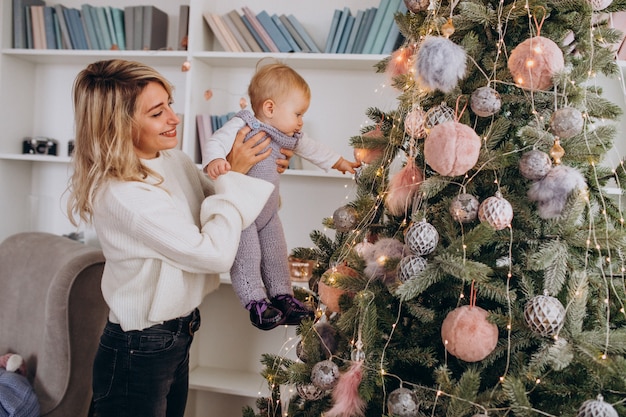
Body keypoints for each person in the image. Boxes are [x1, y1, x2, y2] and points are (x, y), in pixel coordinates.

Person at [66, 59, 292, 417]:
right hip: (140, 347)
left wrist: (257, 172)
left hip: (176, 334)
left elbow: (235, 208)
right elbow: (215, 251)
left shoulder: (172, 159)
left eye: (169, 103)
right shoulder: (124, 194)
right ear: (118, 125)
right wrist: (238, 172)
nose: (174, 118)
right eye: (157, 112)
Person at [201, 60, 360, 330]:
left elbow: (314, 149)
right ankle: (256, 303)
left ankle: (283, 296)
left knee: (277, 254)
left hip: (269, 212)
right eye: (298, 114)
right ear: (270, 108)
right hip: (243, 214)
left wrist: (340, 162)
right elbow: (215, 141)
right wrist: (215, 159)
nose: (301, 122)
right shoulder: (243, 125)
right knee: (247, 257)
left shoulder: (289, 136)